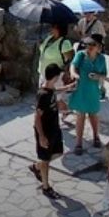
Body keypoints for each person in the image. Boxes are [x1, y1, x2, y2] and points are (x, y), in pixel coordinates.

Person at [67, 34, 109, 153]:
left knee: (93, 115)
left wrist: (97, 76)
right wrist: (74, 74)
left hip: (93, 91)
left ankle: (96, 136)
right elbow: (73, 65)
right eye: (88, 44)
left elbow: (104, 74)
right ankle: (78, 143)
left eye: (92, 45)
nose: (89, 47)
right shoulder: (81, 55)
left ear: (98, 47)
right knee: (80, 116)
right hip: (81, 90)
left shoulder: (102, 59)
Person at [30, 64, 66, 196]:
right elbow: (37, 117)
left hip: (54, 129)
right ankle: (46, 187)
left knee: (57, 153)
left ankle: (37, 166)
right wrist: (41, 136)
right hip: (45, 132)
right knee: (46, 160)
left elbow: (55, 95)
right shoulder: (43, 94)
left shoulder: (51, 90)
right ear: (55, 77)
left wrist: (68, 88)